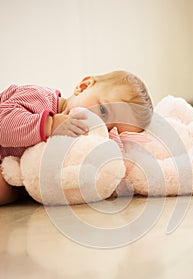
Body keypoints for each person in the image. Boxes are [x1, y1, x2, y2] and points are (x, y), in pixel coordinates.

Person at [0, 70, 153, 204]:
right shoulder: (38, 97)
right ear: (83, 86)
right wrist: (50, 124)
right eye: (103, 111)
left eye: (109, 132)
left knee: (8, 188)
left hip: (13, 171)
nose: (97, 126)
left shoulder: (74, 146)